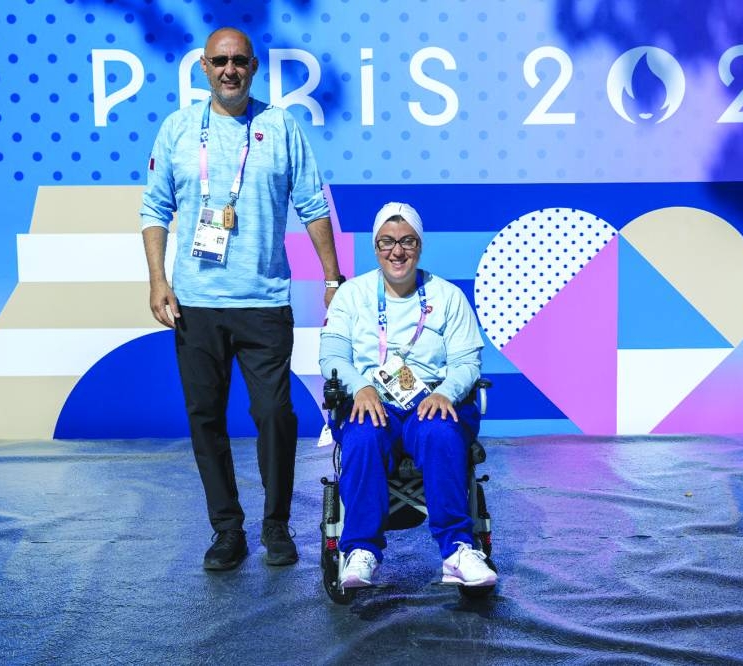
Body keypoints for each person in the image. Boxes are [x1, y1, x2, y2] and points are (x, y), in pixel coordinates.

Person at [140, 27, 343, 571]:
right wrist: (158, 281)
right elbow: (155, 210)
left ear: (254, 68)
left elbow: (312, 204)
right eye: (219, 61)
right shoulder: (179, 129)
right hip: (197, 304)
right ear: (203, 68)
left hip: (264, 299)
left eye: (240, 61)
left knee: (275, 414)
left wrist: (332, 279)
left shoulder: (279, 126)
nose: (230, 70)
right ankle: (227, 529)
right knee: (204, 417)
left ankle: (275, 525)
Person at [319, 202, 497, 588]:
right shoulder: (351, 295)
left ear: (420, 245)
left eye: (407, 242)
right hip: (372, 399)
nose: (397, 251)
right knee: (363, 436)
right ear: (375, 246)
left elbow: (468, 361)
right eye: (387, 242)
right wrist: (359, 386)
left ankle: (458, 551)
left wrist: (447, 392)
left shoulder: (447, 296)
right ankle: (361, 551)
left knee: (439, 431)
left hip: (429, 399)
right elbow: (332, 355)